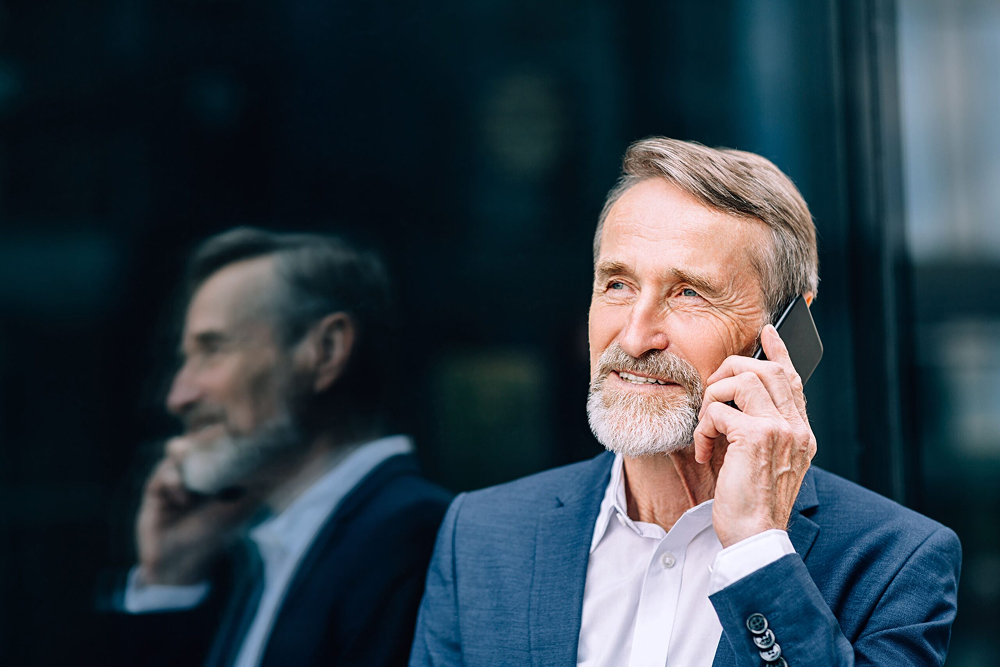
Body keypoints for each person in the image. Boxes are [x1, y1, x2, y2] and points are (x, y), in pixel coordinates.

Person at [410, 138, 961, 666]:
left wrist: (759, 551)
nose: (633, 337)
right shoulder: (479, 536)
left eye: (689, 293)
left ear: (788, 330)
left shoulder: (897, 563)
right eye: (618, 285)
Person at [112, 228, 452, 667]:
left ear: (326, 351)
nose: (178, 396)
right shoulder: (242, 554)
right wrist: (171, 577)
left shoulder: (415, 538)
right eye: (185, 358)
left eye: (212, 350)